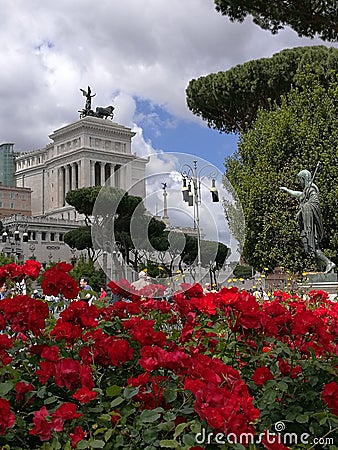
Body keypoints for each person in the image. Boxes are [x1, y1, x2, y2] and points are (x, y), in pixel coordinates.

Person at [280, 169, 335, 274]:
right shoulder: (306, 191)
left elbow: (314, 203)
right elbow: (298, 194)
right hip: (307, 223)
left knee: (310, 245)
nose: (299, 182)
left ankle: (328, 263)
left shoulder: (311, 189)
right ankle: (320, 268)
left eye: (299, 180)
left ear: (303, 179)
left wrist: (302, 210)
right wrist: (287, 190)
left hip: (311, 224)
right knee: (312, 246)